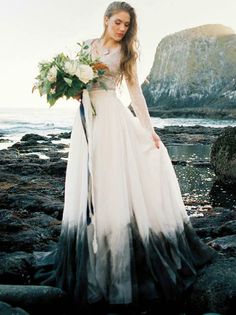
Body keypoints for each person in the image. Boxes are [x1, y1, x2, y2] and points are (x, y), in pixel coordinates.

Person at [33, 1, 216, 314]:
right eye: (117, 22)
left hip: (113, 123)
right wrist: (72, 88)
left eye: (126, 25)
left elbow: (135, 94)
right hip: (86, 123)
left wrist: (149, 130)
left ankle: (117, 265)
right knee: (90, 187)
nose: (122, 29)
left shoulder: (126, 54)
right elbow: (78, 87)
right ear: (105, 20)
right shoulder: (86, 47)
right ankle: (92, 253)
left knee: (112, 184)